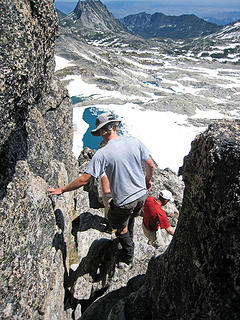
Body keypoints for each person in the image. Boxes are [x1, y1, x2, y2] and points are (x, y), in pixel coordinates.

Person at [48, 112, 154, 267]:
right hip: (141, 195)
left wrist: (62, 190)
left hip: (124, 201)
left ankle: (127, 256)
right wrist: (147, 181)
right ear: (115, 127)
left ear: (103, 132)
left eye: (99, 132)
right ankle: (128, 237)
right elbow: (150, 164)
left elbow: (84, 179)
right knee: (130, 217)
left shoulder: (102, 154)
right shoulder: (134, 141)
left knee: (118, 224)